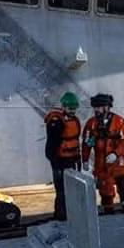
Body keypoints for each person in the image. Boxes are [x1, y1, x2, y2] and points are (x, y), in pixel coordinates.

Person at [81, 93, 124, 208]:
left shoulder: (119, 122)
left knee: (122, 182)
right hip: (101, 163)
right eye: (95, 107)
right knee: (105, 187)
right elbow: (86, 142)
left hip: (118, 161)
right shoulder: (91, 124)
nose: (96, 110)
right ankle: (108, 208)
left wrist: (116, 153)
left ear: (107, 107)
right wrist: (84, 159)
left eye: (99, 107)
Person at [44, 91, 82, 220]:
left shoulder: (74, 120)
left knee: (72, 189)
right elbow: (52, 143)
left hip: (71, 159)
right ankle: (61, 215)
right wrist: (54, 160)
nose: (72, 111)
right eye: (70, 108)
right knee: (61, 190)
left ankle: (72, 214)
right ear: (64, 106)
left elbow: (76, 140)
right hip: (60, 160)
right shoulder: (56, 121)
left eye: (74, 108)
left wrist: (78, 158)